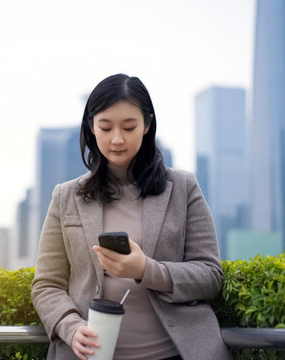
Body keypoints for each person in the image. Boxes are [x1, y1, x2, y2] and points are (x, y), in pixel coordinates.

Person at [31, 74, 232, 360]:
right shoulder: (66, 197)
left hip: (174, 352)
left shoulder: (183, 188)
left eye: (129, 127)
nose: (117, 139)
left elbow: (210, 276)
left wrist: (145, 270)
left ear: (147, 125)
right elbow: (46, 284)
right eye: (105, 126)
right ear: (90, 127)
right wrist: (70, 326)